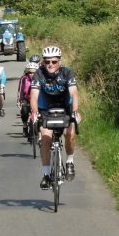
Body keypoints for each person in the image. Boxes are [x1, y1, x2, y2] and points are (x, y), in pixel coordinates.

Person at [30, 46, 81, 189]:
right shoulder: (39, 74)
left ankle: (69, 161)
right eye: (47, 62)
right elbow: (33, 95)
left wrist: (75, 111)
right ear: (43, 62)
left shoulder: (67, 72)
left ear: (59, 61)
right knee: (46, 138)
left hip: (65, 107)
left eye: (54, 61)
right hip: (46, 108)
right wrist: (34, 112)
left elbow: (74, 93)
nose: (50, 65)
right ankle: (46, 174)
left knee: (70, 134)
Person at [17, 62, 38, 137]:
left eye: (34, 72)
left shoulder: (40, 78)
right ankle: (25, 126)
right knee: (24, 111)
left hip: (37, 98)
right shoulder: (24, 78)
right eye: (30, 72)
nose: (32, 74)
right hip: (26, 98)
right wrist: (19, 101)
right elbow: (20, 90)